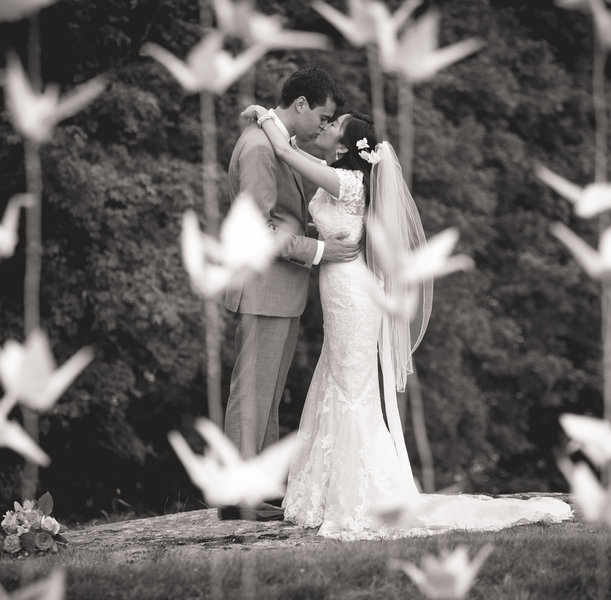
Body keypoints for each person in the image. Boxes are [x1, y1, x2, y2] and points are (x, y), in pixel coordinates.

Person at [241, 104, 575, 540]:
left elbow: (286, 153)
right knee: (338, 379)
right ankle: (325, 492)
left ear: (346, 145)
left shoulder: (348, 180)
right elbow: (315, 197)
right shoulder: (334, 173)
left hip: (352, 291)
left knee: (352, 386)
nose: (325, 125)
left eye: (335, 125)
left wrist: (266, 115)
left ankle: (360, 496)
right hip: (338, 286)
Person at [220, 66, 360, 522]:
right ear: (300, 105)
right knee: (253, 394)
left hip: (278, 290)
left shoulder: (274, 139)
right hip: (264, 287)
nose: (323, 127)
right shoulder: (261, 148)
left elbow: (288, 214)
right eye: (321, 117)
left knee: (268, 394)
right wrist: (322, 250)